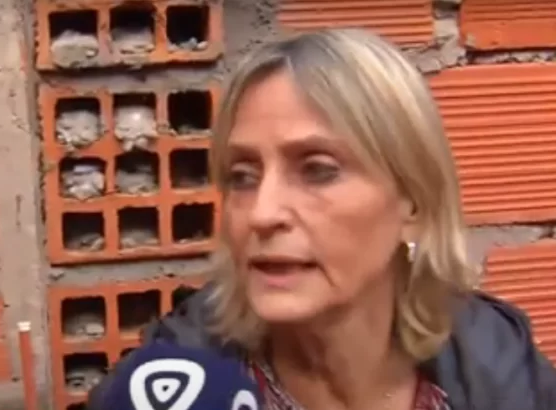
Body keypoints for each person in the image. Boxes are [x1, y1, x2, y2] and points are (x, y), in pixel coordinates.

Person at [87, 28, 556, 410]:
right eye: (242, 176)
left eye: (318, 171)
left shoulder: (500, 368)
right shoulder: (173, 387)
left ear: (412, 201)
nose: (263, 214)